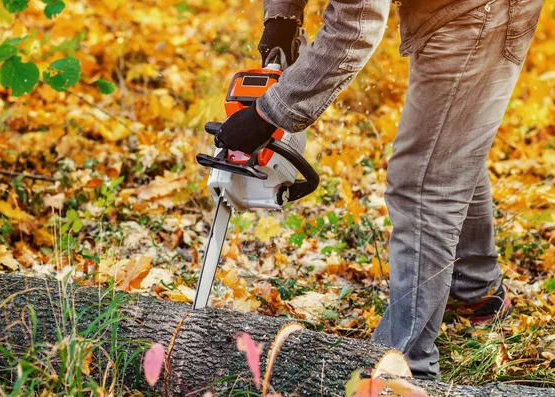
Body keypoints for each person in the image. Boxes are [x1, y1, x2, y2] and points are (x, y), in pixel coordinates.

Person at [213, 0, 545, 379]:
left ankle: (402, 368)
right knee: (447, 143)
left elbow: (356, 26)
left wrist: (267, 115)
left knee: (422, 182)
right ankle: (477, 290)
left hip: (483, 10)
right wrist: (282, 19)